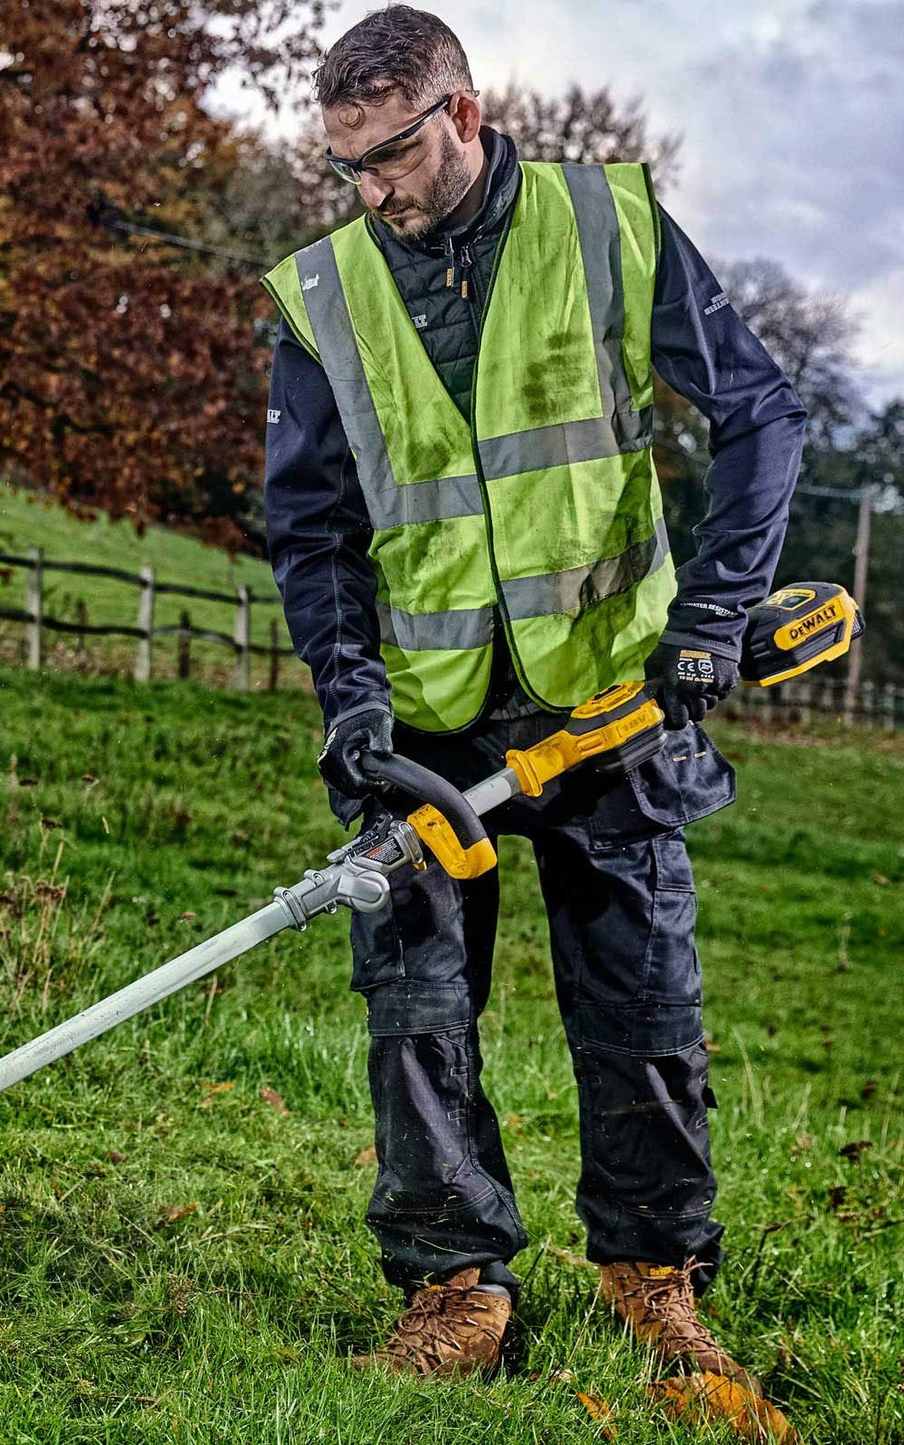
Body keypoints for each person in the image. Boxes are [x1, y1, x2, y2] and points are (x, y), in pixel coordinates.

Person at [262, 6, 803, 1381]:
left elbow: (760, 413)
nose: (371, 190)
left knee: (639, 1005)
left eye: (389, 155)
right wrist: (347, 699)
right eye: (347, 167)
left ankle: (652, 1274)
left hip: (611, 702)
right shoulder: (325, 294)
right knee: (416, 1006)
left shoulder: (604, 226)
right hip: (426, 727)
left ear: (462, 115)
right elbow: (314, 529)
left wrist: (712, 619)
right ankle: (455, 1291)